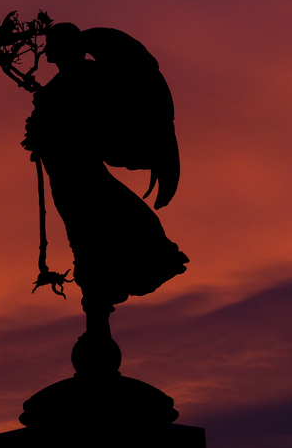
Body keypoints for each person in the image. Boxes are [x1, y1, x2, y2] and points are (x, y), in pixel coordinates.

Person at [22, 22, 187, 355]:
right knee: (85, 245)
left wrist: (50, 126)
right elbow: (46, 136)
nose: (48, 51)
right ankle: (97, 320)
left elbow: (96, 127)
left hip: (85, 176)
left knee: (105, 241)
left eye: (53, 45)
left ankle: (98, 318)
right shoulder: (54, 89)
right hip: (67, 180)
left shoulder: (92, 79)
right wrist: (38, 132)